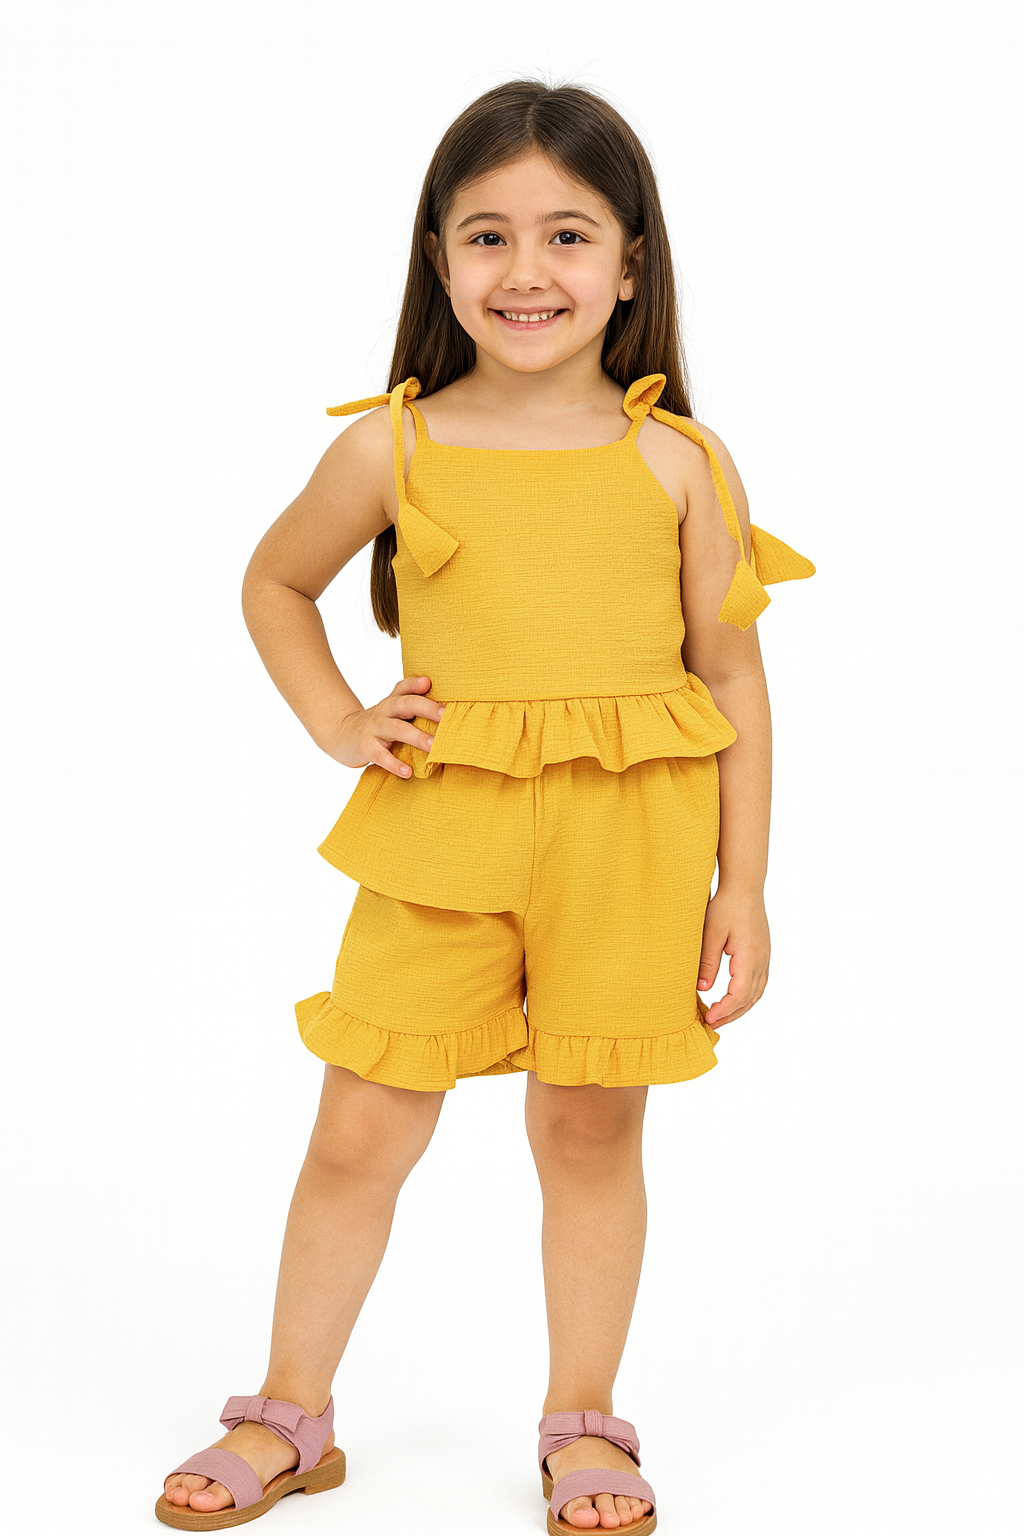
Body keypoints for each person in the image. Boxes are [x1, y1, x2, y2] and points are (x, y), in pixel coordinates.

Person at [156, 78, 815, 1534]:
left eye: (569, 235)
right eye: (488, 235)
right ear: (439, 258)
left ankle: (585, 1422)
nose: (529, 271)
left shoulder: (680, 461)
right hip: (441, 840)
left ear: (630, 263)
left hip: (630, 853)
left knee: (590, 1131)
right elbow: (276, 582)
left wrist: (747, 887)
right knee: (361, 1126)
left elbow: (735, 678)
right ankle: (290, 1414)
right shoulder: (390, 448)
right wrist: (342, 721)